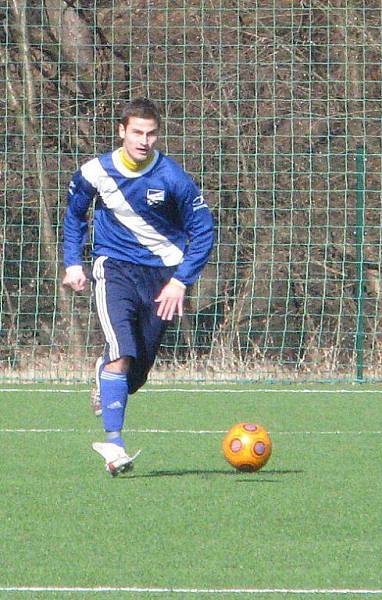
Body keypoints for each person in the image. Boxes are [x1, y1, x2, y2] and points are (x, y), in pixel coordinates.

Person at [62, 98, 214, 476]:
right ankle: (114, 445)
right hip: (113, 269)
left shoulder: (173, 178)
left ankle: (106, 374)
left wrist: (181, 280)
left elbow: (204, 230)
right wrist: (72, 262)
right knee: (121, 351)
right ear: (122, 132)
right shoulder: (96, 171)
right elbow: (74, 215)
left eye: (151, 133)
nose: (144, 140)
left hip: (162, 277)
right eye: (137, 133)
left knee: (136, 372)